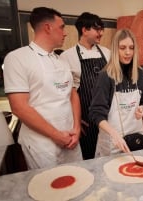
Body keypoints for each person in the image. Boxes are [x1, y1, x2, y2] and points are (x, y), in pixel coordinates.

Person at [3, 7, 82, 169]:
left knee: (78, 181)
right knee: (48, 190)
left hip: (71, 139)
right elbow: (19, 107)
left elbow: (72, 95)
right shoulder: (17, 58)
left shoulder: (61, 60)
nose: (65, 32)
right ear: (47, 27)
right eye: (62, 27)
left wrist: (77, 128)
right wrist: (57, 136)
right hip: (42, 144)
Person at [89, 29, 143, 156]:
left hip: (136, 138)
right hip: (113, 141)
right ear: (115, 49)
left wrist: (142, 108)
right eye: (122, 48)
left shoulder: (139, 74)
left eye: (131, 48)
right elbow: (96, 113)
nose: (128, 52)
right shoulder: (105, 76)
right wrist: (114, 134)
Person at [60, 12, 110, 159]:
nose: (101, 33)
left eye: (102, 29)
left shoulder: (107, 53)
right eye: (97, 29)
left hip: (106, 116)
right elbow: (66, 92)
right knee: (88, 158)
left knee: (107, 153)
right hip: (85, 121)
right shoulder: (67, 56)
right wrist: (75, 119)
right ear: (84, 30)